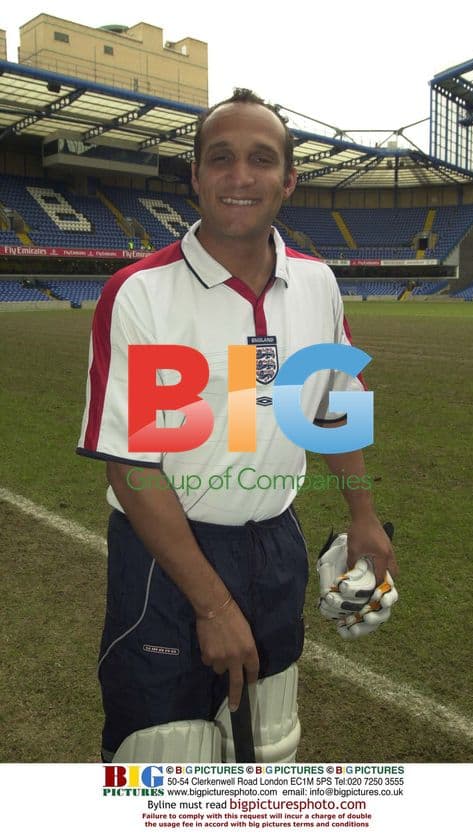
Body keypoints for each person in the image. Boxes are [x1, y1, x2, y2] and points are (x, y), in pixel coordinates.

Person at [77, 88, 398, 762]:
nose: (240, 176)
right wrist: (212, 604)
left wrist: (363, 515)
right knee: (161, 760)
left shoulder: (317, 283)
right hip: (163, 565)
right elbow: (135, 470)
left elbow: (331, 405)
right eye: (220, 159)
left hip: (276, 546)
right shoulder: (139, 292)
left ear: (288, 179)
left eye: (260, 159)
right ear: (195, 176)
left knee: (269, 748)